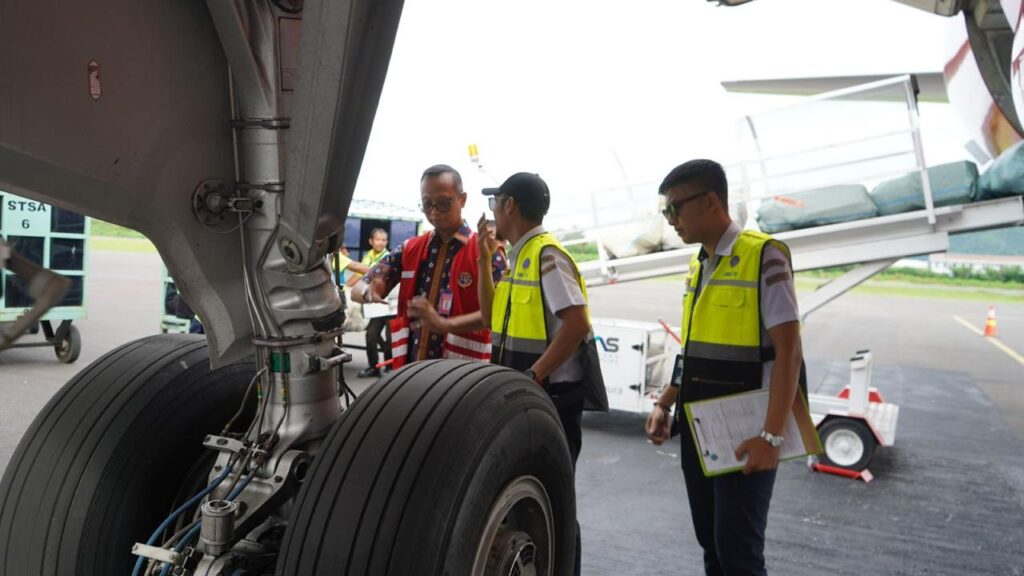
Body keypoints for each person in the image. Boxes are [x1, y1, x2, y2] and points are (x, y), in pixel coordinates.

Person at [645, 159, 802, 576]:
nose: (671, 220)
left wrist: (772, 435)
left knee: (739, 555)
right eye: (666, 211)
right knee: (712, 546)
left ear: (711, 200)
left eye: (675, 208)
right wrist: (666, 401)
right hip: (701, 430)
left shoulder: (765, 256)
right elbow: (693, 347)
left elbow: (789, 350)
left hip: (745, 432)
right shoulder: (698, 265)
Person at [477, 172, 609, 576]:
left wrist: (533, 376)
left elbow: (576, 323)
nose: (492, 212)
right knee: (526, 494)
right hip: (525, 398)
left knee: (555, 499)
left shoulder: (548, 256)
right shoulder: (519, 258)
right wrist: (485, 260)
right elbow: (489, 315)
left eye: (494, 203)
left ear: (509, 205)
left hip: (549, 400)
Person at [352, 164, 506, 366]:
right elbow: (358, 288)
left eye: (443, 203)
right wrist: (369, 292)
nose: (434, 212)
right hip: (412, 370)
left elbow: (500, 313)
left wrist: (444, 324)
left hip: (464, 373)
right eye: (427, 204)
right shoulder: (410, 248)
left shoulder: (487, 250)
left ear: (462, 199)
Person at [350, 228, 392, 378]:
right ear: (371, 241)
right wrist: (348, 288)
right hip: (374, 306)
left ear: (386, 242)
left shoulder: (389, 257)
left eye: (383, 240)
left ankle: (389, 368)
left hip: (390, 305)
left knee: (390, 338)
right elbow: (359, 274)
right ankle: (374, 367)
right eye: (377, 239)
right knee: (371, 335)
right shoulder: (367, 256)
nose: (380, 242)